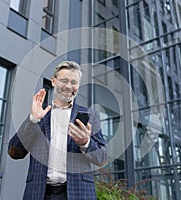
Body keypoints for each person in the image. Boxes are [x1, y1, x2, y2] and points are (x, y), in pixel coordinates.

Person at [8, 61, 108, 200]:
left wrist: (86, 143)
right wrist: (32, 120)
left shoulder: (90, 116)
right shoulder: (40, 114)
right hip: (39, 193)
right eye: (64, 80)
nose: (68, 86)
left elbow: (102, 158)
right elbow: (14, 152)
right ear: (54, 81)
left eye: (74, 82)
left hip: (78, 193)